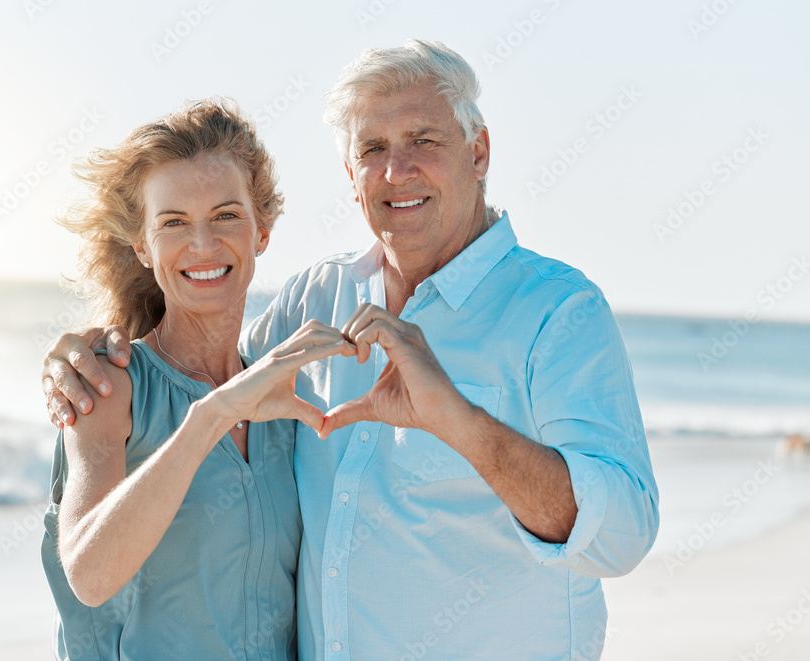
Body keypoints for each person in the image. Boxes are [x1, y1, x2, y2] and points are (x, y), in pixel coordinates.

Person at [43, 41, 660, 660]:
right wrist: (85, 350)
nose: (397, 171)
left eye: (423, 139)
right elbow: (203, 374)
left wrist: (461, 423)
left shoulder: (558, 312)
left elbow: (622, 538)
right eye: (372, 150)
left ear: (478, 152)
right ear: (350, 177)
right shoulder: (312, 300)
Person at [40, 98, 356, 660]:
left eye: (227, 215)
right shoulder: (110, 386)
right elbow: (88, 574)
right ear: (143, 245)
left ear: (262, 230)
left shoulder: (282, 395)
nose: (204, 245)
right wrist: (212, 415)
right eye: (173, 223)